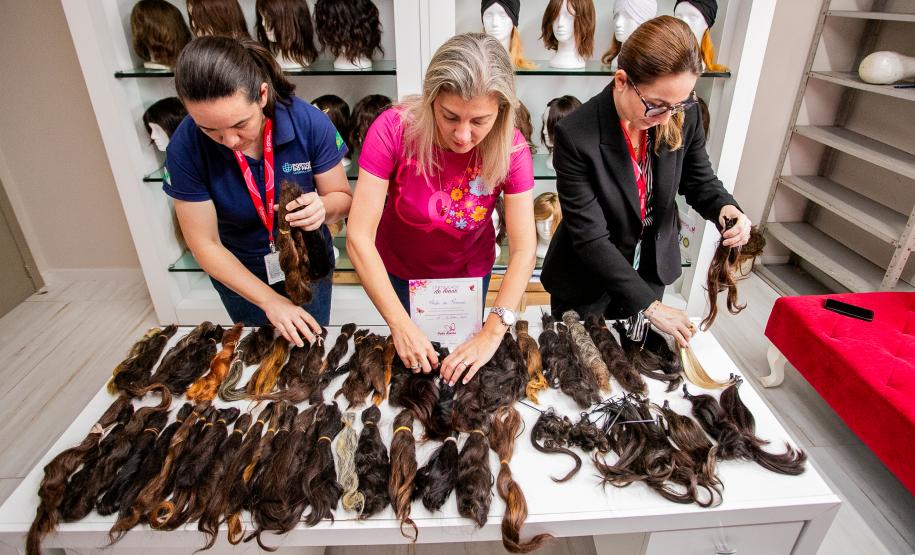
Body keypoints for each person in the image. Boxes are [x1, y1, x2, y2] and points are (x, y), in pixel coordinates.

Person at [541, 16, 752, 347]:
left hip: (650, 268)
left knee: (638, 362)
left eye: (677, 105)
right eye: (656, 106)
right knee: (582, 370)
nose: (668, 118)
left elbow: (698, 178)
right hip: (586, 279)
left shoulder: (684, 113)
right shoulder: (576, 134)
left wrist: (726, 208)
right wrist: (651, 307)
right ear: (622, 81)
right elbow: (591, 238)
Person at [347, 33, 536, 386]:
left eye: (479, 121)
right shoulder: (393, 129)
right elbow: (358, 236)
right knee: (410, 369)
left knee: (460, 364)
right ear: (431, 99)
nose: (463, 135)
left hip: (468, 276)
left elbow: (525, 248)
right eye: (450, 116)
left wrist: (493, 331)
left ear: (502, 112)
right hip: (399, 272)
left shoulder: (513, 150)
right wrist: (399, 324)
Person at [165, 36, 352, 346]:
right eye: (209, 129)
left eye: (240, 124)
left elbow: (343, 199)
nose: (229, 141)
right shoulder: (185, 147)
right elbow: (204, 243)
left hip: (308, 261)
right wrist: (268, 300)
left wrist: (323, 207)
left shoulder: (308, 122)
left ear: (262, 94)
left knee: (311, 348)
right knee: (259, 355)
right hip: (239, 273)